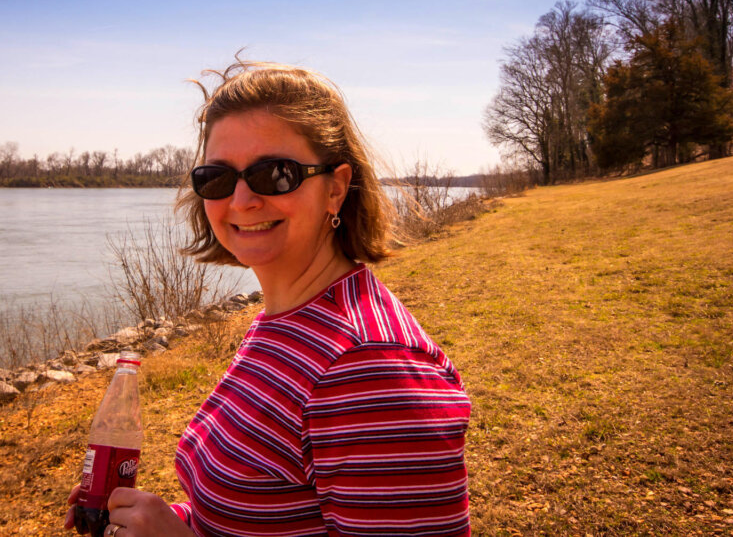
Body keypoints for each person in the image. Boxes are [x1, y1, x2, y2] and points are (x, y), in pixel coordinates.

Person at [67, 60, 471, 536]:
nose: (240, 201)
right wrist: (156, 520)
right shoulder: (287, 321)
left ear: (335, 189)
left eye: (276, 174)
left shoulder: (368, 371)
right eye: (217, 178)